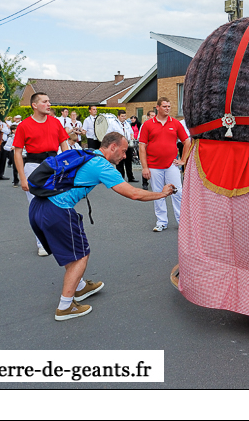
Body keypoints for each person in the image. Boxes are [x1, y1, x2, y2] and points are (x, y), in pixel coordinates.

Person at [29, 132, 176, 321]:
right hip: (57, 210)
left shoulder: (88, 153)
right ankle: (65, 307)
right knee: (81, 256)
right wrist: (162, 194)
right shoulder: (101, 165)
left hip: (38, 205)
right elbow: (133, 193)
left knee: (73, 252)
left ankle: (80, 287)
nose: (125, 156)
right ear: (113, 147)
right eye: (123, 151)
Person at [13, 92, 70, 256]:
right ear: (34, 105)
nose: (49, 104)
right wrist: (22, 178)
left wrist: (68, 168)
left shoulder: (55, 122)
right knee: (37, 206)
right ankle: (42, 243)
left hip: (54, 166)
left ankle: (57, 238)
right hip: (33, 166)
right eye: (45, 101)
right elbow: (17, 153)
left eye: (49, 101)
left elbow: (64, 146)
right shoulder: (24, 125)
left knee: (56, 204)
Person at [139, 97, 192, 232]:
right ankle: (161, 222)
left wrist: (183, 160)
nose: (167, 108)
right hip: (154, 166)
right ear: (157, 107)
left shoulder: (175, 123)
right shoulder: (148, 124)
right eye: (164, 106)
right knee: (158, 194)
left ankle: (182, 222)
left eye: (169, 106)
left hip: (171, 165)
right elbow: (142, 146)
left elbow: (187, 141)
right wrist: (145, 167)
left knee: (178, 193)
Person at [110, 110, 136, 182]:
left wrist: (132, 136)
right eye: (122, 116)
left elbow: (131, 132)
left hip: (127, 144)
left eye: (124, 116)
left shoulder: (127, 123)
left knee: (128, 161)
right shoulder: (113, 124)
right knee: (120, 162)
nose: (123, 118)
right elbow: (109, 134)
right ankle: (121, 178)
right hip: (118, 145)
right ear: (118, 116)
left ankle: (131, 177)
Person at [2, 115, 21, 186]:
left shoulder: (22, 137)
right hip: (14, 153)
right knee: (15, 167)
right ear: (13, 131)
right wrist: (11, 148)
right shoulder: (11, 138)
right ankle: (15, 181)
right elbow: (5, 147)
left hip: (22, 153)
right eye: (16, 129)